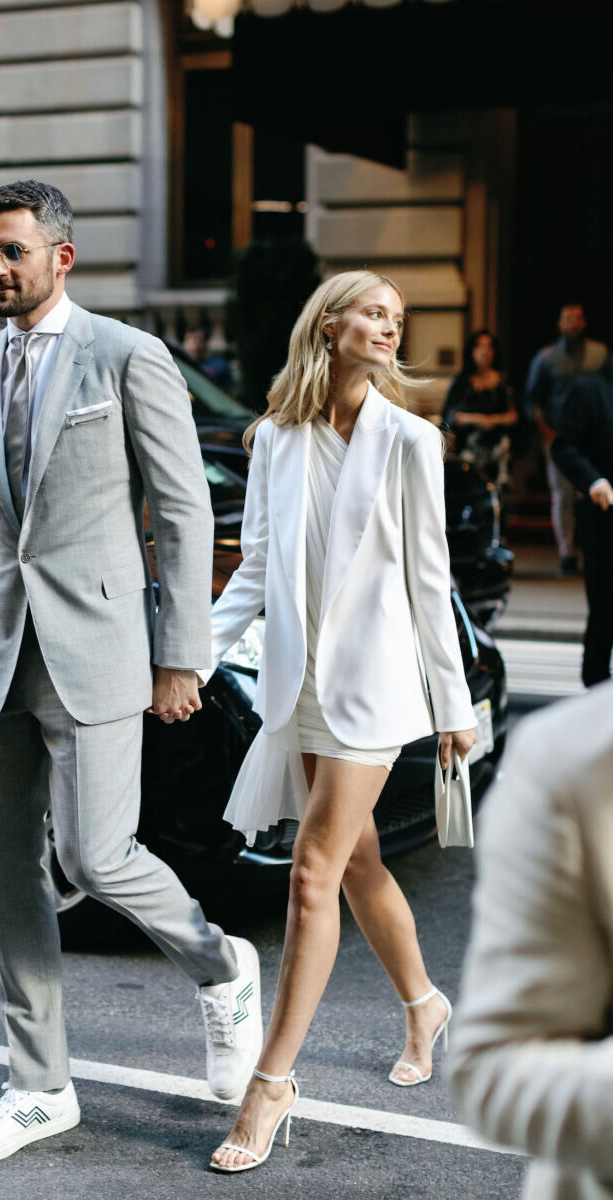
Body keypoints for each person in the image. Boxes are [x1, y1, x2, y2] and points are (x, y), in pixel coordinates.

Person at [0, 180, 262, 1169]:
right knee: (2, 863)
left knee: (101, 856)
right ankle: (38, 1086)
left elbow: (183, 511)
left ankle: (223, 966)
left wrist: (182, 653)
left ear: (62, 256)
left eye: (12, 251)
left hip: (100, 652)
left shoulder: (127, 357)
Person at [200, 270, 477, 1173]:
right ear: (329, 324)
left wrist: (451, 704)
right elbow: (257, 565)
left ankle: (272, 1082)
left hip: (372, 693)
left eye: (399, 318)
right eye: (373, 312)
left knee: (312, 874)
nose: (390, 326)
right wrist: (196, 654)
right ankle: (426, 1003)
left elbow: (430, 582)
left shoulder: (410, 441)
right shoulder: (275, 439)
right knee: (356, 861)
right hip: (299, 684)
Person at [449, 682, 613, 1200]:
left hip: (382, 706)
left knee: (325, 870)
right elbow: (491, 1066)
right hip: (326, 694)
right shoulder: (574, 760)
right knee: (320, 871)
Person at [525, 304, 609, 575]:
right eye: (567, 319)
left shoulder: (600, 354)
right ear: (559, 324)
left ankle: (593, 549)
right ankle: (567, 552)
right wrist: (548, 433)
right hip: (561, 435)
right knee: (563, 495)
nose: (573, 323)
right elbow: (533, 399)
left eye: (578, 318)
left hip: (596, 439)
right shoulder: (547, 358)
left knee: (594, 489)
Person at [552, 363, 613, 686]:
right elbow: (563, 446)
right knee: (604, 617)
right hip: (605, 525)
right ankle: (596, 695)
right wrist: (594, 481)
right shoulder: (590, 390)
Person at [442, 329, 518, 490]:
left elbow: (514, 415)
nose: (485, 352)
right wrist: (478, 419)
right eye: (480, 347)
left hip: (498, 448)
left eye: (489, 347)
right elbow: (450, 415)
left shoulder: (502, 381)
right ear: (472, 351)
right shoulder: (462, 382)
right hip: (469, 447)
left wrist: (492, 420)